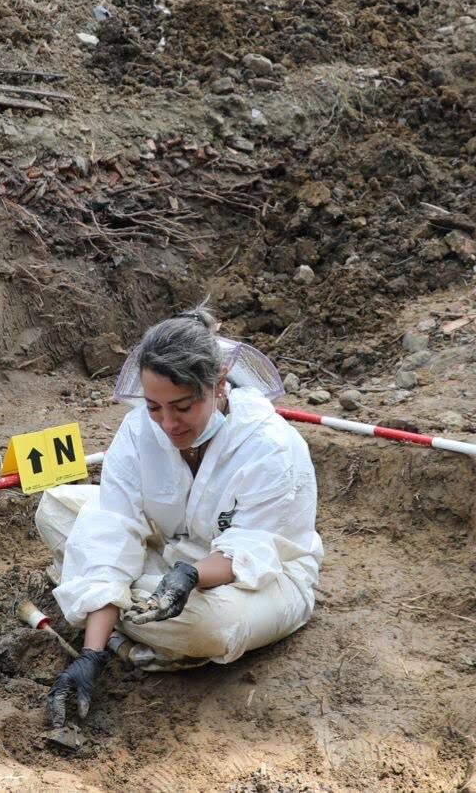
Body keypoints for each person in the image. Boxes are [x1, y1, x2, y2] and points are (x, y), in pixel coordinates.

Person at [34, 307, 323, 728]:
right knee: (56, 507)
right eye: (154, 407)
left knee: (209, 625)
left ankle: (107, 598)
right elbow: (113, 528)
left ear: (218, 385)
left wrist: (189, 576)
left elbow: (252, 551)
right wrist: (91, 656)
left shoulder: (271, 447)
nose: (167, 424)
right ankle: (122, 616)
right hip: (172, 556)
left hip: (262, 580)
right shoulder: (139, 431)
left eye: (183, 407)